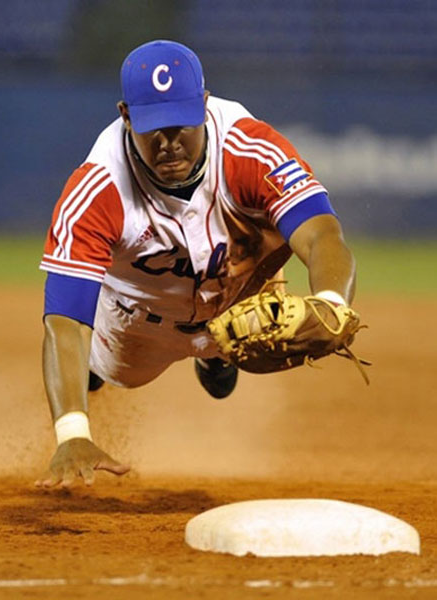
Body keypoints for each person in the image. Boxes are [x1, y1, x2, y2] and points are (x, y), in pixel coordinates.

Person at [37, 40, 356, 489]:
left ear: (204, 106)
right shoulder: (98, 186)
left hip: (236, 293)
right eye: (153, 129)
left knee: (225, 373)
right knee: (102, 372)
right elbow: (67, 318)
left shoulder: (250, 148)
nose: (169, 143)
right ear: (126, 116)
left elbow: (322, 233)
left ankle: (215, 359)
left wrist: (329, 302)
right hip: (137, 321)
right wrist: (71, 431)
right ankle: (94, 370)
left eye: (181, 125)